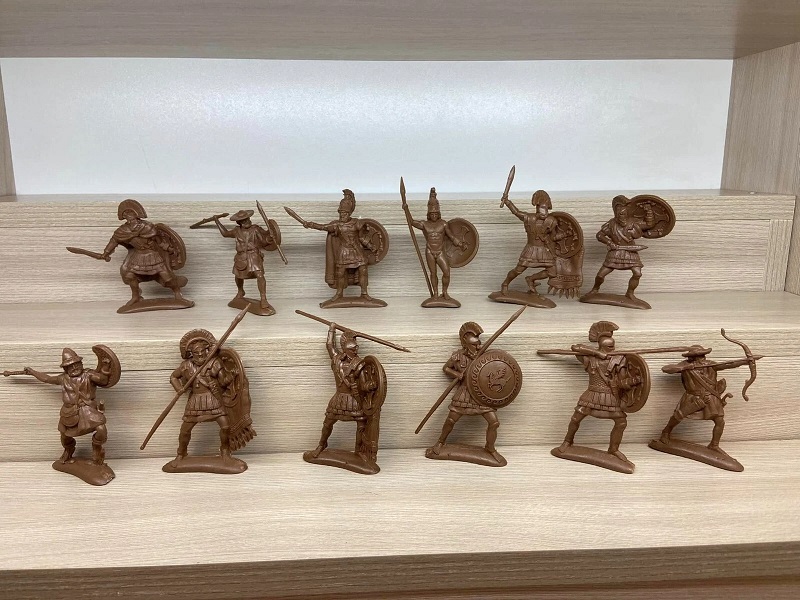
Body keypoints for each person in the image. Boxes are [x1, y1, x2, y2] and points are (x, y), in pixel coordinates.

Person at [557, 321, 640, 463]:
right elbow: (575, 347)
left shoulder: (619, 360)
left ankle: (613, 449)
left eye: (613, 346)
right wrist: (596, 353)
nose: (613, 349)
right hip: (592, 394)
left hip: (610, 396)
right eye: (609, 347)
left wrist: (634, 381)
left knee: (621, 422)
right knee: (576, 418)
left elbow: (622, 383)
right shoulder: (590, 359)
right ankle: (567, 442)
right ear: (601, 347)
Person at [659, 345, 758, 452]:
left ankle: (714, 445)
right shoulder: (685, 365)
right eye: (699, 356)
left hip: (711, 397)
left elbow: (729, 364)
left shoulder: (711, 364)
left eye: (703, 355)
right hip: (693, 398)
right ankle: (666, 432)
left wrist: (746, 361)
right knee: (678, 415)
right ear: (692, 357)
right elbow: (666, 369)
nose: (702, 358)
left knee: (720, 421)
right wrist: (685, 367)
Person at [428, 321, 503, 462]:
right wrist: (457, 374)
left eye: (479, 343)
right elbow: (446, 368)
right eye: (474, 344)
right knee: (451, 420)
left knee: (494, 422)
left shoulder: (483, 356)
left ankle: (490, 448)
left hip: (480, 394)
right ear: (465, 341)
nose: (478, 346)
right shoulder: (457, 356)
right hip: (464, 394)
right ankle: (440, 442)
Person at [24, 348, 112, 465]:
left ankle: (97, 451)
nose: (74, 368)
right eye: (70, 366)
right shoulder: (63, 378)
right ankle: (68, 451)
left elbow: (103, 380)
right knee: (64, 434)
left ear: (81, 363)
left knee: (101, 429)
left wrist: (105, 366)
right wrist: (32, 372)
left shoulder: (89, 374)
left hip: (87, 409)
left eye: (76, 364)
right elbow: (47, 378)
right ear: (65, 369)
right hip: (69, 411)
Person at [102, 199, 188, 307]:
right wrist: (106, 253)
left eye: (130, 212)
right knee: (129, 275)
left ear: (136, 213)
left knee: (167, 277)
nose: (128, 215)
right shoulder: (123, 230)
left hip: (153, 255)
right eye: (126, 213)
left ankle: (177, 293)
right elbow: (114, 241)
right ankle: (136, 296)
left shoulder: (147, 227)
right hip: (138, 256)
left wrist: (170, 249)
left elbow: (158, 240)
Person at [303, 189, 383, 305]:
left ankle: (364, 293)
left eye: (344, 213)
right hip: (343, 252)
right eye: (340, 213)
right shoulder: (336, 225)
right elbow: (323, 227)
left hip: (357, 251)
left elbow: (361, 238)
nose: (342, 215)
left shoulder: (357, 223)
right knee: (340, 273)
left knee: (363, 270)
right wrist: (311, 224)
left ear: (349, 213)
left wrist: (371, 246)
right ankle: (339, 294)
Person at [170, 329, 236, 462]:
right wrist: (179, 389)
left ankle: (225, 451)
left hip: (213, 398)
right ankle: (181, 453)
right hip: (195, 401)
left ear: (207, 350)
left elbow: (223, 381)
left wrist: (232, 375)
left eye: (202, 351)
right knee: (185, 430)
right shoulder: (186, 365)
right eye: (196, 353)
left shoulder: (214, 363)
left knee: (225, 426)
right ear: (191, 353)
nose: (200, 355)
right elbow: (173, 377)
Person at [310, 323, 368, 458]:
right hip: (339, 398)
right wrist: (332, 329)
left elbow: (364, 385)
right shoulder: (337, 360)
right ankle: (322, 444)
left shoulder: (359, 364)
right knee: (328, 423)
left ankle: (358, 451)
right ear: (345, 350)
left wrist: (369, 386)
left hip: (354, 399)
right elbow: (330, 345)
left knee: (361, 425)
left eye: (356, 348)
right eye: (353, 349)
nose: (355, 351)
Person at [585, 195, 655, 301]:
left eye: (624, 213)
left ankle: (630, 293)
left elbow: (649, 225)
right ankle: (595, 289)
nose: (622, 216)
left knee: (637, 273)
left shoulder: (634, 223)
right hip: (615, 253)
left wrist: (648, 211)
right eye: (620, 213)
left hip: (630, 252)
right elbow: (599, 235)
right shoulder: (611, 224)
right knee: (600, 275)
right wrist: (609, 242)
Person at [403, 187, 467, 303]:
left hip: (440, 251)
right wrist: (406, 208)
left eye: (435, 213)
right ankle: (436, 294)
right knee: (433, 273)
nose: (433, 215)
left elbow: (451, 237)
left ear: (438, 213)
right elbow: (412, 222)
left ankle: (445, 292)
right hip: (429, 251)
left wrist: (460, 244)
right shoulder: (424, 224)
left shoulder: (443, 224)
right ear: (429, 214)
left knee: (446, 272)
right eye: (432, 213)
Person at [499, 190, 568, 295]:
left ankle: (531, 279)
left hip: (544, 251)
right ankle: (505, 284)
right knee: (518, 270)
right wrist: (507, 202)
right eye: (542, 209)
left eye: (546, 209)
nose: (544, 212)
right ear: (537, 208)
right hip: (530, 250)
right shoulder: (528, 218)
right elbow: (516, 212)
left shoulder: (551, 221)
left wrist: (564, 235)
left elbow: (553, 237)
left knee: (552, 272)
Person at [214, 209, 275, 311]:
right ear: (239, 222)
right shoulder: (236, 231)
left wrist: (270, 238)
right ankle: (240, 291)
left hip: (254, 256)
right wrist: (217, 221)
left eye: (247, 219)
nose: (247, 221)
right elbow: (225, 233)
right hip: (241, 256)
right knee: (238, 275)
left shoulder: (255, 229)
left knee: (260, 275)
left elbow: (264, 241)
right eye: (244, 220)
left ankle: (263, 298)